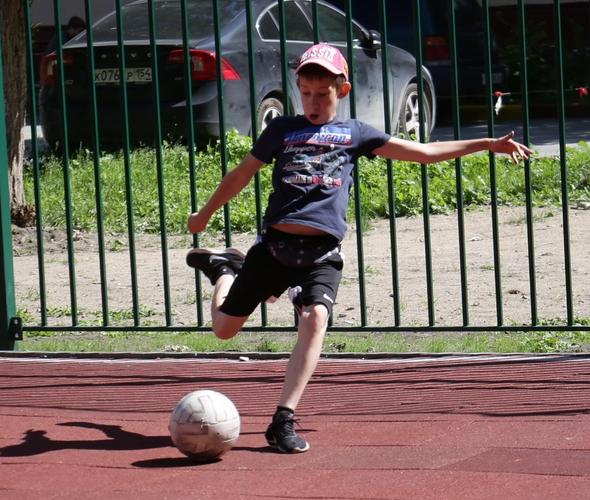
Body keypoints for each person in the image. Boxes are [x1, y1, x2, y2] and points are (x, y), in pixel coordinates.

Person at [183, 43, 534, 454]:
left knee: (315, 319)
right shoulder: (282, 130)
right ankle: (226, 270)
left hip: (321, 255)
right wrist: (205, 213)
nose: (313, 101)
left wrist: (487, 143)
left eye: (323, 93)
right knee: (223, 330)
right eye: (306, 91)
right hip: (273, 249)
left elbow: (423, 153)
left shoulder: (355, 134)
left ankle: (283, 420)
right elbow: (241, 173)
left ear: (342, 90)